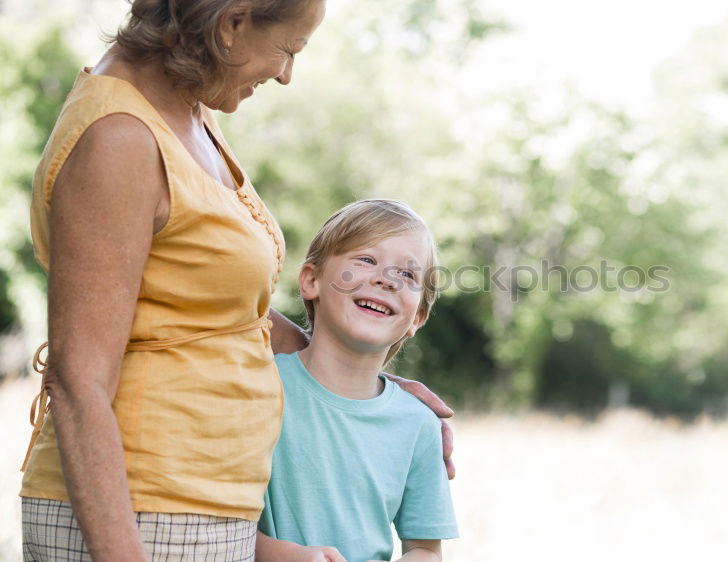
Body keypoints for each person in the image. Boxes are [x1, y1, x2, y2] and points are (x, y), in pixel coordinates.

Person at [19, 2, 453, 560]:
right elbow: (78, 382)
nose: (287, 74)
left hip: (202, 505)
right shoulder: (120, 138)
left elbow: (216, 306)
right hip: (145, 508)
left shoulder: (187, 109)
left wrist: (356, 380)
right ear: (231, 25)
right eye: (289, 50)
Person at [255, 199, 458, 562]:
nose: (385, 279)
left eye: (408, 275)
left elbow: (425, 548)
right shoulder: (260, 386)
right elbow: (220, 524)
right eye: (366, 260)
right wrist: (280, 555)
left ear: (418, 317)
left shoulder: (418, 424)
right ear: (311, 280)